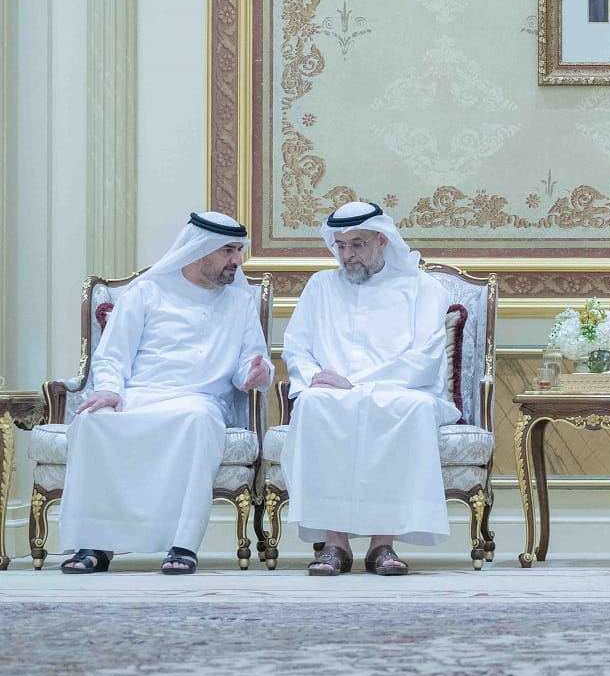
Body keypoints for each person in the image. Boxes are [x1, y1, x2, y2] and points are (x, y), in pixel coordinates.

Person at [58, 213, 271, 574]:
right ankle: (94, 544)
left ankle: (182, 544)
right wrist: (109, 389)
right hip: (139, 395)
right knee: (93, 421)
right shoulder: (147, 292)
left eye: (239, 250)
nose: (237, 260)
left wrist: (256, 373)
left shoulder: (240, 303)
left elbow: (249, 363)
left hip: (198, 400)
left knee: (198, 419)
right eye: (228, 251)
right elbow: (112, 354)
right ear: (199, 250)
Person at [281, 201, 454, 577]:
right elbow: (296, 347)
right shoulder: (321, 286)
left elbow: (424, 358)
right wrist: (316, 377)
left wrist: (358, 384)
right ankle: (335, 544)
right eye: (341, 246)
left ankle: (382, 544)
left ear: (382, 240)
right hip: (331, 392)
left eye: (357, 244)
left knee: (409, 408)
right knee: (313, 404)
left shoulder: (423, 288)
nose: (347, 255)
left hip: (402, 389)